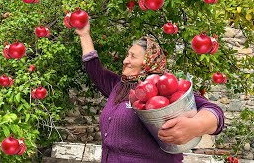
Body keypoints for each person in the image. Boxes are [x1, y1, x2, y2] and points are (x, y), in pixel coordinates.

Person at [76, 21, 224, 163]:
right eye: (127, 55)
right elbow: (93, 68)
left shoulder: (163, 86)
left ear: (149, 60)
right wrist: (84, 34)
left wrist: (196, 126)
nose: (125, 61)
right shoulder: (119, 86)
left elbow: (214, 112)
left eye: (132, 56)